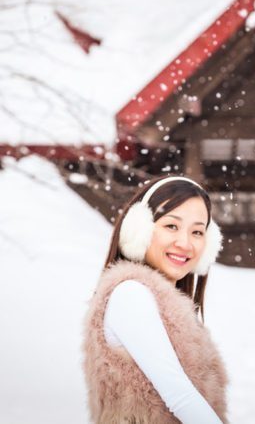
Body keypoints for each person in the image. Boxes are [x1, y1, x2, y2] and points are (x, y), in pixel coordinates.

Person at [82, 176, 228, 424]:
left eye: (197, 232)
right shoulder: (130, 295)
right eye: (171, 226)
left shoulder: (163, 303)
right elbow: (179, 395)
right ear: (139, 230)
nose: (184, 243)